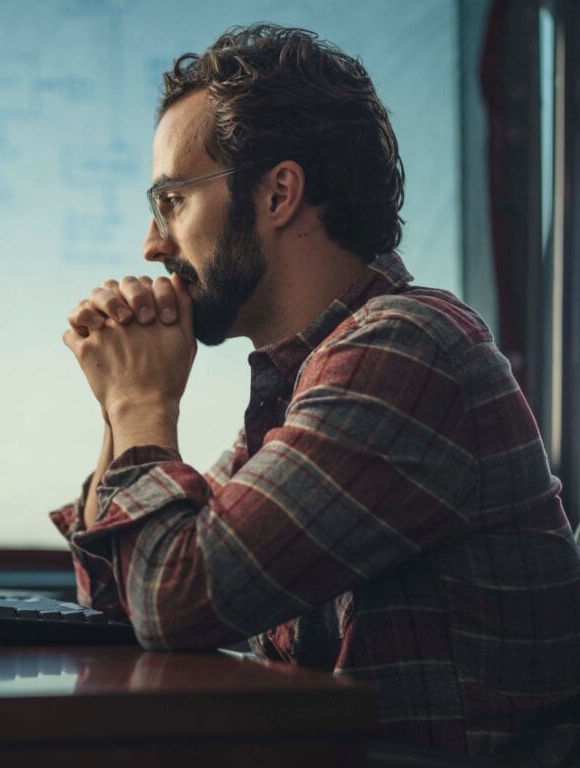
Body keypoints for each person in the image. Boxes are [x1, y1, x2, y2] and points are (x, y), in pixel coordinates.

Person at [52, 24, 580, 767]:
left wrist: (144, 403)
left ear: (278, 192)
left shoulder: (406, 349)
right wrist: (118, 406)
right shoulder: (306, 382)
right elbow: (119, 599)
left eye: (171, 200)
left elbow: (176, 601)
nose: (151, 244)